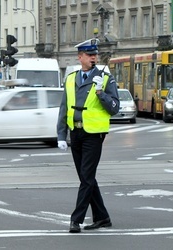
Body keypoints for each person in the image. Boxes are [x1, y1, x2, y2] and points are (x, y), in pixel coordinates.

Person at [56, 38, 120, 233]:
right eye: (89, 55)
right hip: (75, 133)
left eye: (95, 55)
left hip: (93, 134)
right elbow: (64, 108)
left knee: (86, 177)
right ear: (80, 57)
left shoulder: (106, 78)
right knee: (87, 177)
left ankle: (76, 219)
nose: (93, 58)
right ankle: (103, 217)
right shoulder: (71, 78)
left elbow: (115, 108)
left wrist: (101, 92)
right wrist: (61, 135)